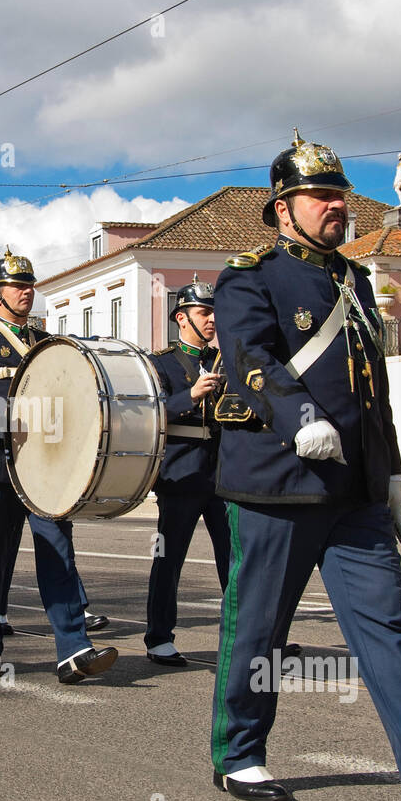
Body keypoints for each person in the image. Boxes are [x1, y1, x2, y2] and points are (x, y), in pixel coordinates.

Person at [209, 131, 401, 801]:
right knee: (258, 628)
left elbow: (374, 387)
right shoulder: (250, 275)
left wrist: (389, 469)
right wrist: (299, 415)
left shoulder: (356, 280)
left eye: (339, 195)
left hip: (355, 492)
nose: (335, 206)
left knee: (389, 630)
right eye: (320, 196)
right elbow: (252, 359)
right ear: (283, 209)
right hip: (277, 483)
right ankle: (237, 753)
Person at [0, 248, 116, 684]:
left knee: (59, 552)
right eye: (17, 286)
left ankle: (74, 649)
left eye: (29, 285)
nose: (26, 292)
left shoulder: (46, 342)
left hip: (45, 469)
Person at [143, 277, 230, 667]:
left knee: (236, 559)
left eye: (214, 312)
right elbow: (149, 414)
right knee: (169, 558)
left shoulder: (225, 360)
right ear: (182, 317)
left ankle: (246, 637)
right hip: (180, 474)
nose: (212, 319)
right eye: (203, 312)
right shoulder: (159, 363)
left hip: (224, 471)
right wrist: (190, 395)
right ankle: (159, 637)